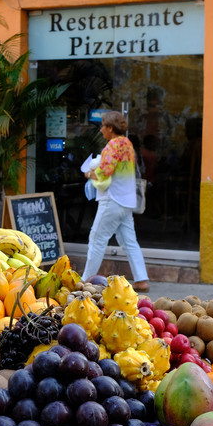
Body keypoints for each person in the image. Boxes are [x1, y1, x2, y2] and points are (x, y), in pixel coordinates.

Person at [81, 111, 150, 292]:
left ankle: (85, 280)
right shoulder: (128, 145)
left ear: (110, 128)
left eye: (103, 126)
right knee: (129, 242)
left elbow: (104, 175)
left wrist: (88, 173)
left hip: (111, 200)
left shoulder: (112, 146)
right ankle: (141, 279)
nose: (101, 130)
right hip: (127, 201)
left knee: (97, 239)